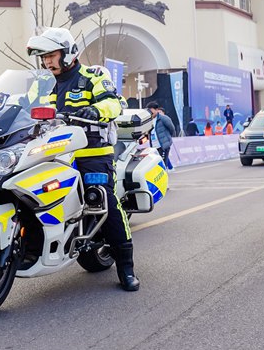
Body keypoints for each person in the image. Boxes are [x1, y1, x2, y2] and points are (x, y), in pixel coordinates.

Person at [26, 27, 139, 291]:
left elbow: (114, 103)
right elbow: (25, 108)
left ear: (67, 53)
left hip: (91, 152)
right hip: (52, 152)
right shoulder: (42, 84)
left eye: (51, 55)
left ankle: (126, 267)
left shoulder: (93, 76)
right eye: (44, 57)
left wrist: (95, 110)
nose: (47, 62)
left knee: (103, 200)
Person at [147, 102, 175, 170]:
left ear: (156, 110)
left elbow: (172, 129)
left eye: (151, 111)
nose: (150, 113)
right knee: (156, 165)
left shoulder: (164, 118)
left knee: (163, 164)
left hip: (163, 145)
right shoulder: (148, 120)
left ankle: (165, 173)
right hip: (154, 146)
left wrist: (167, 139)